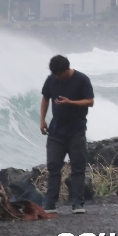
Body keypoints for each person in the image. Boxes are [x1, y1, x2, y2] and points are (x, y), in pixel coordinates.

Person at [40, 55, 95, 214]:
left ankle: (77, 203)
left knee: (77, 167)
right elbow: (45, 98)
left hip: (76, 131)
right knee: (53, 167)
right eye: (54, 74)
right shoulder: (51, 79)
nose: (57, 77)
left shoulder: (82, 79)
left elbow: (90, 101)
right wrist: (42, 120)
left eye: (59, 74)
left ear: (66, 70)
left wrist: (71, 103)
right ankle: (50, 203)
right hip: (56, 131)